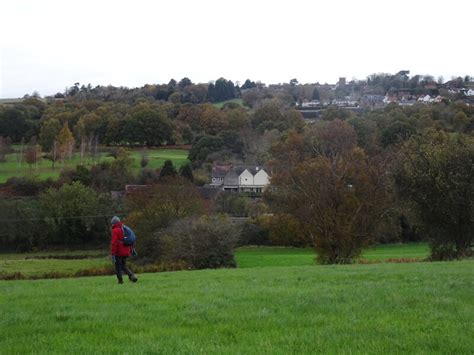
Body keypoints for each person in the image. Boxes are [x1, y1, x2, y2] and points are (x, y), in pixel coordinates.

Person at [111, 216, 138, 284]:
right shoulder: (125, 228)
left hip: (119, 252)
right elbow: (131, 239)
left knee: (118, 266)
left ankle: (120, 281)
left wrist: (113, 254)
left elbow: (114, 243)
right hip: (126, 251)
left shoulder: (115, 230)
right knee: (123, 265)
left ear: (113, 223)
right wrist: (132, 249)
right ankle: (131, 275)